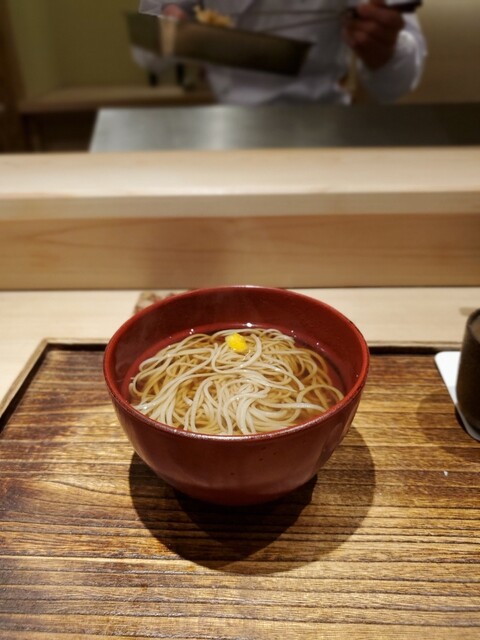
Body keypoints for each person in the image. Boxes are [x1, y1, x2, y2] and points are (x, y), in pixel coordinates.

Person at [136, 0, 426, 104]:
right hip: (225, 122)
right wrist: (167, 33)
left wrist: (386, 51)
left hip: (324, 123)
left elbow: (396, 85)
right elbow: (145, 53)